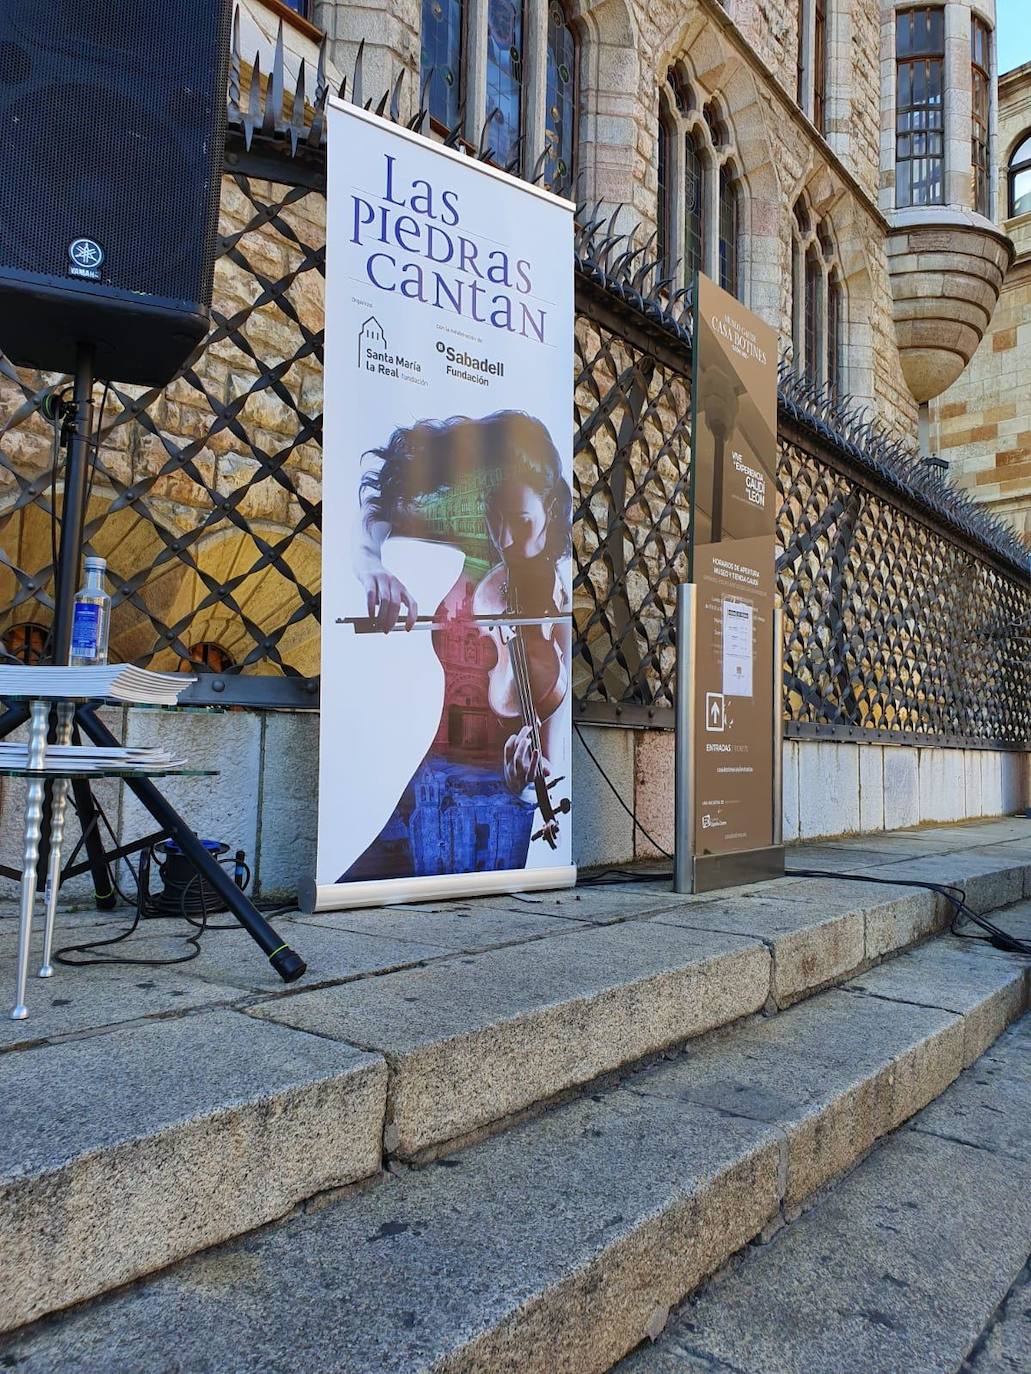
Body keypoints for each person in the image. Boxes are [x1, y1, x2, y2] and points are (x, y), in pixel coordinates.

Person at [343, 410, 572, 879]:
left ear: (550, 507)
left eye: (520, 521)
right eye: (496, 519)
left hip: (491, 801)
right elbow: (378, 512)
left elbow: (552, 750)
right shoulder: (474, 538)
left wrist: (524, 782)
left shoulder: (559, 597)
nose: (504, 539)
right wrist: (372, 567)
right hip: (418, 765)